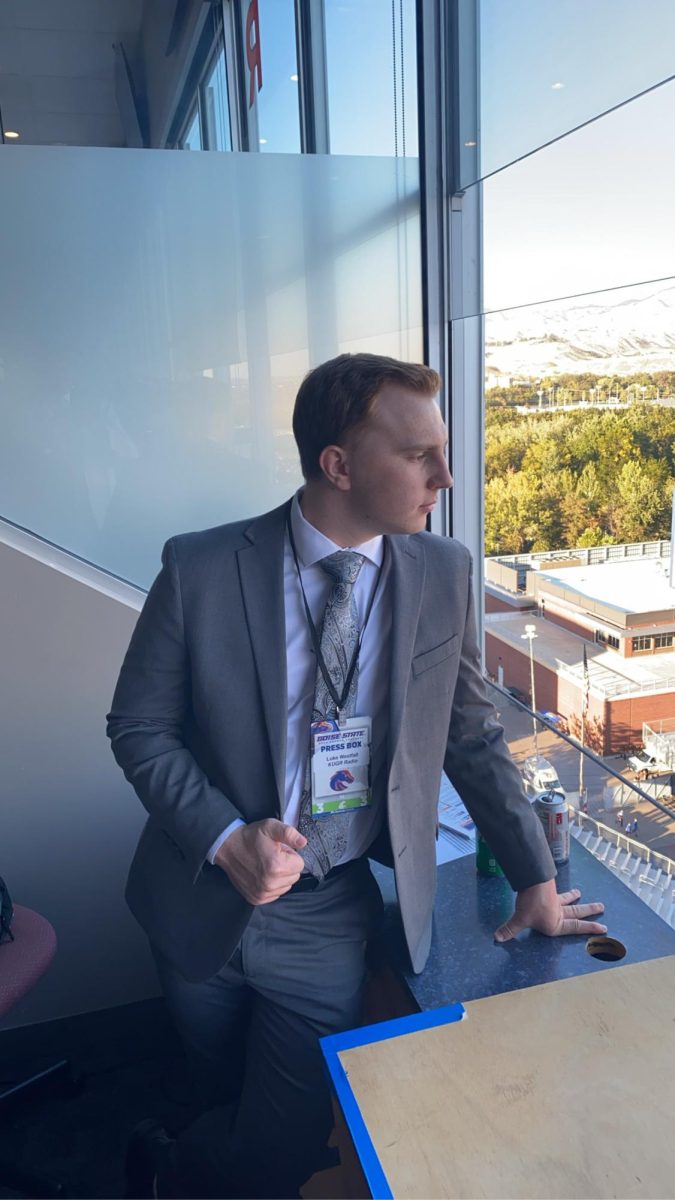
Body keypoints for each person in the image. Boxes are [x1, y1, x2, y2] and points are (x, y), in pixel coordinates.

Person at [107, 353, 606, 1199]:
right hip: (196, 902)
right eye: (419, 456)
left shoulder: (441, 572)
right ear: (336, 464)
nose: (445, 477)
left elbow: (471, 734)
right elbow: (139, 727)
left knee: (282, 1145)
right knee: (211, 1081)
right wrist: (228, 840)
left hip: (327, 915)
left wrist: (536, 878)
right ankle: (181, 1156)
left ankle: (174, 1164)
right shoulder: (199, 569)